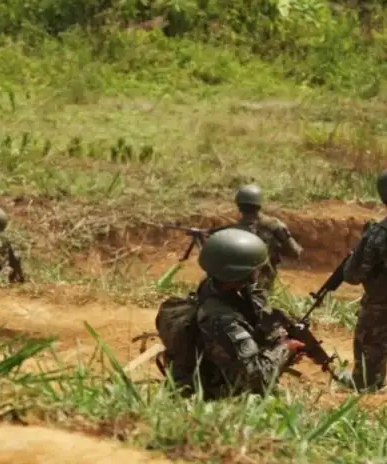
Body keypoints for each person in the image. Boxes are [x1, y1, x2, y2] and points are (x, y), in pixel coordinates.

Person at [156, 228, 305, 400]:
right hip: (213, 395)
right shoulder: (223, 320)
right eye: (256, 268)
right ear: (242, 274)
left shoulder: (216, 287)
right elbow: (255, 377)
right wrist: (285, 350)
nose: (259, 271)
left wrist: (277, 341)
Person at [337, 170, 387, 391]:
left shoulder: (377, 234)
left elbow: (352, 276)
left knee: (370, 340)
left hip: (380, 304)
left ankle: (367, 382)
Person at [227, 184, 303, 293]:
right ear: (259, 204)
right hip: (264, 286)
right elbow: (295, 252)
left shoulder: (233, 231)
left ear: (239, 206)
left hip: (236, 287)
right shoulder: (274, 225)